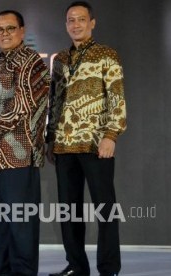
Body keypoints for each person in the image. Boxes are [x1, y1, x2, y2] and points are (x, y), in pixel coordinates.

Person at [45, 1, 127, 276]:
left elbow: (116, 96)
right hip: (64, 146)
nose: (76, 24)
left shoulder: (106, 54)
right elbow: (54, 103)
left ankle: (109, 268)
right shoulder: (60, 59)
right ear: (66, 24)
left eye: (81, 19)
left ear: (92, 23)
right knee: (69, 212)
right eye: (71, 20)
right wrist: (50, 138)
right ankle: (76, 267)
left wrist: (111, 135)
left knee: (105, 209)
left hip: (96, 144)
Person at [0, 10, 51, 276]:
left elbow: (26, 103)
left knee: (20, 219)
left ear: (22, 31)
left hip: (18, 154)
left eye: (10, 28)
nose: (4, 34)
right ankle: (2, 265)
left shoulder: (32, 62)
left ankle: (23, 270)